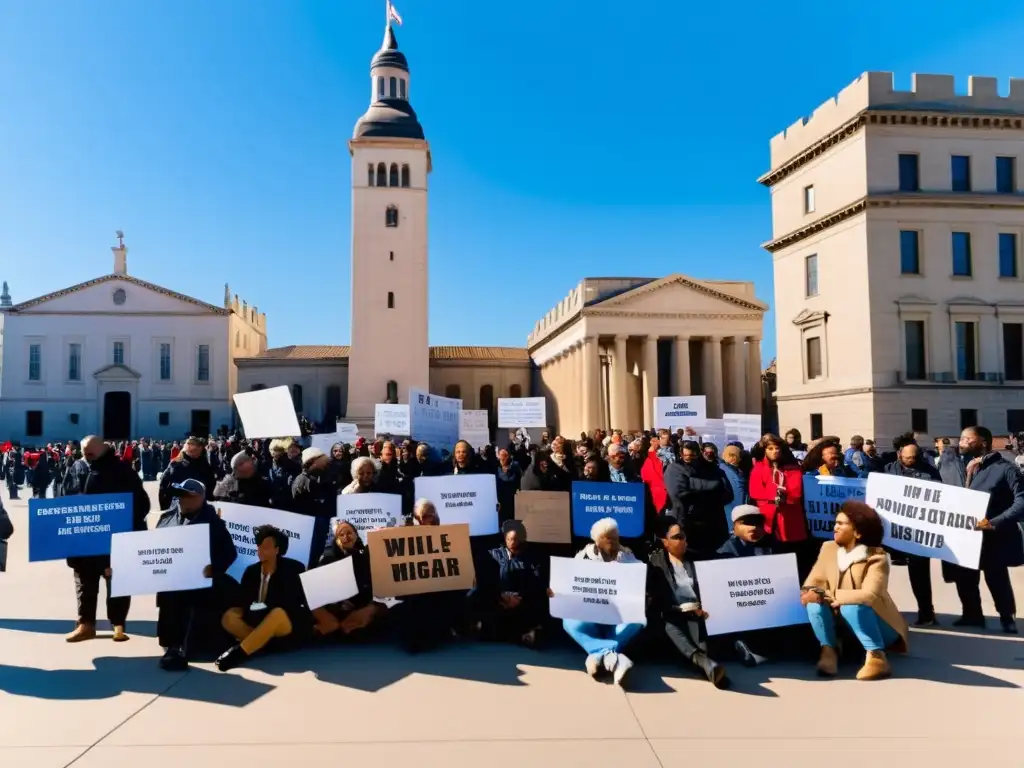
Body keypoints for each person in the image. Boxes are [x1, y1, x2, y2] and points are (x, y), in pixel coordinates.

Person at [801, 501, 909, 680]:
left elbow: (869, 595)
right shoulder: (828, 548)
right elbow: (813, 583)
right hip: (843, 622)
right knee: (814, 604)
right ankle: (829, 650)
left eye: (841, 524)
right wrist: (814, 593)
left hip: (878, 623)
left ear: (858, 532)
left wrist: (829, 596)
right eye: (835, 523)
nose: (835, 527)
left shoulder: (877, 557)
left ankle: (876, 656)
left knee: (852, 606)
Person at [63, 436, 151, 643]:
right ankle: (85, 625)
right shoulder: (77, 467)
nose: (86, 453)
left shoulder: (122, 470)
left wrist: (120, 519)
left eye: (90, 450)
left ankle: (118, 625)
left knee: (117, 581)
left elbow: (141, 503)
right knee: (85, 580)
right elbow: (65, 494)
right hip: (85, 537)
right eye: (84, 450)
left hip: (116, 538)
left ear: (103, 448)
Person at [938, 426, 1024, 633]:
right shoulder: (952, 465)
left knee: (996, 577)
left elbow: (1021, 501)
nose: (961, 442)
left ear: (983, 442)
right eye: (961, 438)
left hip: (992, 535)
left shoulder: (1005, 468)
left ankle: (1007, 618)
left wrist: (994, 522)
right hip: (963, 535)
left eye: (968, 439)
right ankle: (972, 615)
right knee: (964, 576)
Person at [154, 479, 239, 670]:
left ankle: (186, 646)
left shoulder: (213, 523)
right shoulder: (169, 517)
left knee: (195, 603)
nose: (183, 500)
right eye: (180, 496)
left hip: (200, 581)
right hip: (172, 579)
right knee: (169, 602)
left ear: (200, 498)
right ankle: (172, 645)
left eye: (188, 496)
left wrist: (214, 568)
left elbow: (229, 553)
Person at [558, 517, 645, 686]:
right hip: (591, 615)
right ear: (597, 541)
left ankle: (597, 655)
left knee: (637, 619)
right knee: (569, 622)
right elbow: (569, 586)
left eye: (616, 537)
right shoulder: (583, 557)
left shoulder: (627, 556)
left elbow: (638, 578)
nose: (615, 542)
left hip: (618, 616)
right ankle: (613, 658)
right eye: (609, 538)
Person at [217, 525, 312, 671]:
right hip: (256, 619)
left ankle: (238, 654)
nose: (260, 550)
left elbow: (288, 604)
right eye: (259, 546)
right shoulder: (251, 571)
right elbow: (245, 601)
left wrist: (259, 608)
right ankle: (258, 643)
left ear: (277, 550)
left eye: (266, 546)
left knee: (277, 614)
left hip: (283, 623)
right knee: (229, 616)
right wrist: (253, 609)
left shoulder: (293, 569)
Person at [647, 515, 727, 686]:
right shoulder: (655, 563)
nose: (683, 540)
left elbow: (711, 589)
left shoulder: (695, 560)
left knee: (703, 645)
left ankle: (706, 664)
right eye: (677, 537)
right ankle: (705, 663)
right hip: (672, 613)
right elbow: (657, 600)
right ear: (665, 541)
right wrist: (680, 609)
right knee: (671, 625)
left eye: (684, 536)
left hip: (698, 613)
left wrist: (706, 607)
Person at [885, 432, 942, 627]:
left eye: (914, 457)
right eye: (908, 457)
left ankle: (926, 613)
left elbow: (938, 493)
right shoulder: (888, 469)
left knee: (919, 574)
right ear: (899, 454)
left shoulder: (929, 471)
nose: (911, 461)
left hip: (917, 532)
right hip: (892, 529)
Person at [477, 520, 547, 647]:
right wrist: (500, 596)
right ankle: (522, 637)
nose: (513, 543)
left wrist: (520, 598)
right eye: (510, 539)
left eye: (516, 539)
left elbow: (538, 582)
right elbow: (485, 580)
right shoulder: (493, 555)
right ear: (505, 539)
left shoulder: (533, 558)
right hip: (499, 599)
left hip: (521, 600)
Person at [311, 520, 385, 639]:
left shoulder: (365, 557)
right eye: (341, 534)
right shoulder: (327, 558)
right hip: (333, 607)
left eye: (349, 533)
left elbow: (373, 587)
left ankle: (347, 626)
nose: (346, 537)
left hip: (358, 607)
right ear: (336, 539)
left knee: (378, 607)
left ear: (356, 535)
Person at [663, 441, 732, 559]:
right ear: (681, 454)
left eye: (692, 455)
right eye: (686, 456)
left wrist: (693, 485)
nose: (689, 458)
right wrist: (711, 488)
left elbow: (728, 494)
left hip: (713, 524)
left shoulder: (712, 468)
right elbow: (679, 494)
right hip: (687, 523)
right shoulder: (674, 468)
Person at [158, 437, 216, 510]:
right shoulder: (176, 463)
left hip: (199, 506)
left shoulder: (204, 464)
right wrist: (164, 505)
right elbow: (164, 484)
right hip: (178, 505)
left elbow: (211, 483)